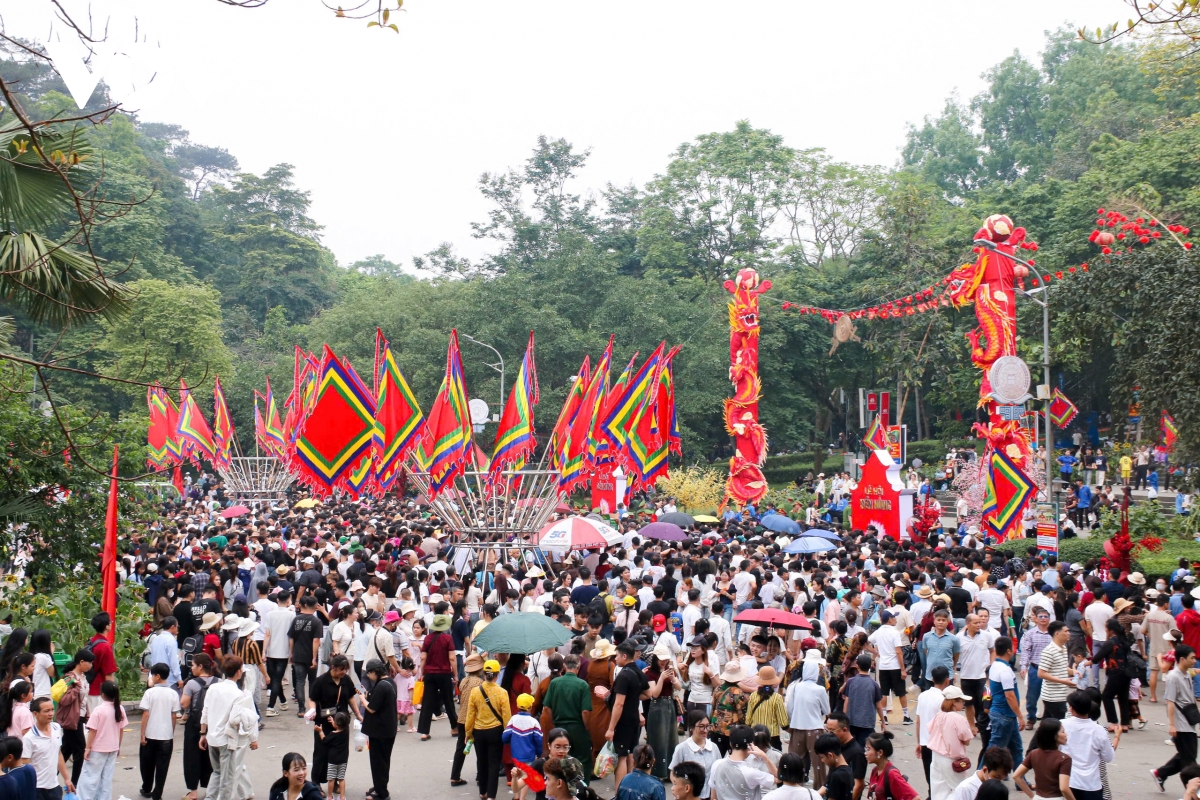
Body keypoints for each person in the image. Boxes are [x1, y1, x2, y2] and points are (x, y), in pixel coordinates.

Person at [200, 655, 260, 800]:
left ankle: (210, 798)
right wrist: (253, 737)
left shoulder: (213, 688)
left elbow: (205, 711)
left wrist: (202, 733)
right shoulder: (239, 694)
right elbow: (239, 719)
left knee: (216, 772)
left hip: (212, 737)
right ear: (239, 672)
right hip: (227, 740)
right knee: (227, 778)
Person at [307, 654, 360, 788]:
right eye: (341, 669)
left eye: (346, 669)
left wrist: (358, 714)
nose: (344, 672)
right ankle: (316, 783)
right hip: (323, 723)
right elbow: (312, 699)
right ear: (333, 667)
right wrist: (312, 710)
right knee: (321, 753)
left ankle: (335, 781)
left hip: (341, 724)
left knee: (340, 755)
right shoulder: (320, 681)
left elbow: (351, 698)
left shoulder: (346, 680)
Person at [539, 653, 593, 778]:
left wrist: (554, 723)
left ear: (564, 666)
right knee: (582, 760)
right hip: (578, 728)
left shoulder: (555, 683)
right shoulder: (582, 685)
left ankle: (561, 787)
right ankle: (580, 789)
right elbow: (585, 711)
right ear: (578, 666)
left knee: (560, 760)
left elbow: (547, 707)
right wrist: (586, 727)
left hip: (559, 727)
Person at [1153, 644, 1198, 792]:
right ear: (1182, 659)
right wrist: (1172, 724)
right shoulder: (1173, 677)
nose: (1195, 660)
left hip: (1189, 721)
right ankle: (1192, 791)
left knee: (1186, 755)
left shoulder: (1186, 673)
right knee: (1189, 759)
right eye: (1192, 658)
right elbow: (1170, 701)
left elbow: (1194, 672)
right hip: (1181, 723)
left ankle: (1160, 773)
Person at [465, 659, 512, 800]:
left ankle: (482, 792)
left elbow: (470, 715)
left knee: (481, 761)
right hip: (496, 731)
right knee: (494, 764)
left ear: (484, 674)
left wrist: (468, 733)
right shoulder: (502, 692)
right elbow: (506, 716)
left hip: (478, 732)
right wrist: (507, 734)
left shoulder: (475, 692)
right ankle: (491, 795)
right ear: (497, 674)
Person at [607, 640, 651, 790]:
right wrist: (633, 697)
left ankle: (620, 790)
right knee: (631, 754)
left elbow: (618, 704)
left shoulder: (624, 676)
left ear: (624, 656)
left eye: (617, 656)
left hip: (623, 721)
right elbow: (648, 693)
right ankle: (631, 788)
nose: (615, 659)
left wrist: (611, 728)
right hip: (634, 719)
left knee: (621, 757)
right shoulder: (639, 673)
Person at [784, 651, 829, 788]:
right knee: (818, 764)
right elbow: (827, 710)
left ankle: (794, 788)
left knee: (796, 760)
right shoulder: (820, 689)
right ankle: (819, 790)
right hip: (815, 729)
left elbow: (790, 708)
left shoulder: (796, 687)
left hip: (797, 728)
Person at [74, 681, 123, 800]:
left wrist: (87, 748)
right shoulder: (119, 709)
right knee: (106, 778)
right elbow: (121, 730)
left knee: (90, 778)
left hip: (97, 749)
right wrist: (118, 747)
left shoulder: (99, 710)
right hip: (112, 748)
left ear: (102, 694)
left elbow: (92, 731)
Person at [1061, 690, 1114, 800]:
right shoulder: (1099, 730)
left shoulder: (1061, 725)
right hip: (1091, 785)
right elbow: (1109, 757)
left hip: (1067, 782)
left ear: (1071, 709)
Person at [139, 662, 181, 800]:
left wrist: (142, 734)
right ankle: (157, 794)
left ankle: (146, 788)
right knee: (162, 766)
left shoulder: (150, 693)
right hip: (166, 737)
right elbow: (174, 715)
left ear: (157, 676)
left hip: (150, 734)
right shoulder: (173, 694)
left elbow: (146, 714)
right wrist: (171, 732)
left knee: (147, 764)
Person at [21, 696, 74, 799]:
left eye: (52, 710)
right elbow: (24, 766)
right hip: (36, 788)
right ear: (36, 714)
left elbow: (58, 754)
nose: (50, 714)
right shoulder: (29, 738)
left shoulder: (56, 728)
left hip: (54, 787)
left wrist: (67, 778)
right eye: (46, 711)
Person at [359, 659, 397, 800]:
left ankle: (381, 793)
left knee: (378, 762)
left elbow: (371, 708)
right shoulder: (389, 682)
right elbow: (378, 699)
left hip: (380, 730)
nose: (369, 676)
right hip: (388, 728)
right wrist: (367, 694)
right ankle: (379, 786)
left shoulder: (382, 686)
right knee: (383, 760)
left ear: (375, 672)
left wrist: (362, 698)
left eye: (369, 673)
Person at [180, 653, 216, 800]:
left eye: (193, 665)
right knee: (211, 758)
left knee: (191, 757)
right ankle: (210, 789)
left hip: (195, 725)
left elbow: (184, 703)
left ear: (200, 667)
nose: (191, 668)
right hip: (213, 724)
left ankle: (193, 791)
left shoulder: (192, 684)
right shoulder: (219, 682)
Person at [54, 650, 92, 786]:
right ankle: (75, 782)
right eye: (89, 662)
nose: (91, 666)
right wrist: (75, 689)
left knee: (66, 749)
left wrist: (87, 714)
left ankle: (52, 777)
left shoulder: (83, 676)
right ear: (81, 662)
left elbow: (84, 699)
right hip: (71, 719)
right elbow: (63, 701)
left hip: (79, 717)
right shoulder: (69, 678)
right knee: (80, 749)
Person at [709, 724, 777, 800]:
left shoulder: (717, 765)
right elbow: (779, 778)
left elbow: (713, 797)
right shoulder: (750, 773)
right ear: (751, 745)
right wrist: (764, 756)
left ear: (730, 743)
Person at [927, 686, 973, 800]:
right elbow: (967, 740)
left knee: (938, 790)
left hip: (936, 756)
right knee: (959, 789)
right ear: (954, 702)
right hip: (951, 759)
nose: (963, 704)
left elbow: (930, 730)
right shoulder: (959, 719)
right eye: (961, 701)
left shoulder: (939, 715)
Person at [418, 614, 459, 740]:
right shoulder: (448, 638)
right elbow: (452, 658)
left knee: (427, 702)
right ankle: (454, 728)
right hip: (444, 673)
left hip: (429, 673)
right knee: (448, 701)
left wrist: (422, 672)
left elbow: (423, 657)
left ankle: (424, 732)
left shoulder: (427, 639)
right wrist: (456, 674)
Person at [867, 611, 911, 725]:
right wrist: (903, 669)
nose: (895, 619)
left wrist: (876, 652)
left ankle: (884, 717)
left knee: (884, 692)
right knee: (901, 692)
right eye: (894, 617)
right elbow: (898, 651)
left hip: (883, 666)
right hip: (895, 666)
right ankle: (906, 716)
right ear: (890, 620)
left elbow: (866, 643)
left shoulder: (878, 632)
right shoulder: (895, 632)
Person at [986, 636, 1024, 769]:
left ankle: (1021, 780)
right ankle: (980, 777)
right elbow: (1010, 696)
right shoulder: (1005, 670)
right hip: (1004, 716)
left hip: (1006, 715)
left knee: (1017, 749)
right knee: (994, 751)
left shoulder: (995, 666)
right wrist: (1020, 715)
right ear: (1009, 651)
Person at [1013, 718, 1073, 800]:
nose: (1066, 735)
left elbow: (1016, 776)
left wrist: (1032, 796)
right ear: (1054, 736)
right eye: (1062, 732)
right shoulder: (1064, 759)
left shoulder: (1033, 754)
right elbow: (1064, 788)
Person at [914, 665, 950, 796]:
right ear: (947, 680)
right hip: (938, 746)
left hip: (924, 743)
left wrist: (919, 742)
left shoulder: (923, 696)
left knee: (930, 780)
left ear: (933, 679)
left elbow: (918, 721)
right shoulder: (944, 699)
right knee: (940, 782)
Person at [669, 711, 720, 799]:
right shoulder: (682, 748)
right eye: (701, 726)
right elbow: (673, 773)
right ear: (691, 727)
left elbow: (718, 772)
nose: (705, 730)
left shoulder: (714, 747)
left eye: (708, 726)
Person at [863, 731, 919, 800]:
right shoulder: (875, 770)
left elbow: (915, 798)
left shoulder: (892, 774)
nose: (865, 753)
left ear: (880, 752)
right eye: (865, 749)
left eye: (868, 749)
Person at [85, 614, 117, 715]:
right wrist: (113, 695)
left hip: (89, 687)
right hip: (99, 691)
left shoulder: (91, 641)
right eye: (110, 622)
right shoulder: (105, 646)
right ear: (107, 626)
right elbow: (109, 675)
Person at [317, 711, 349, 800]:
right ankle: (342, 796)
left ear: (337, 724)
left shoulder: (332, 735)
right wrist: (333, 722)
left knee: (331, 779)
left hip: (333, 760)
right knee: (341, 778)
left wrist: (320, 731)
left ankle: (330, 796)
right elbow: (340, 727)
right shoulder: (346, 732)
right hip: (343, 760)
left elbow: (324, 740)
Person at [815, 733, 853, 800]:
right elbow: (825, 787)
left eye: (822, 757)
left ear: (830, 755)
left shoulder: (837, 775)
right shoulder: (846, 770)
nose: (822, 761)